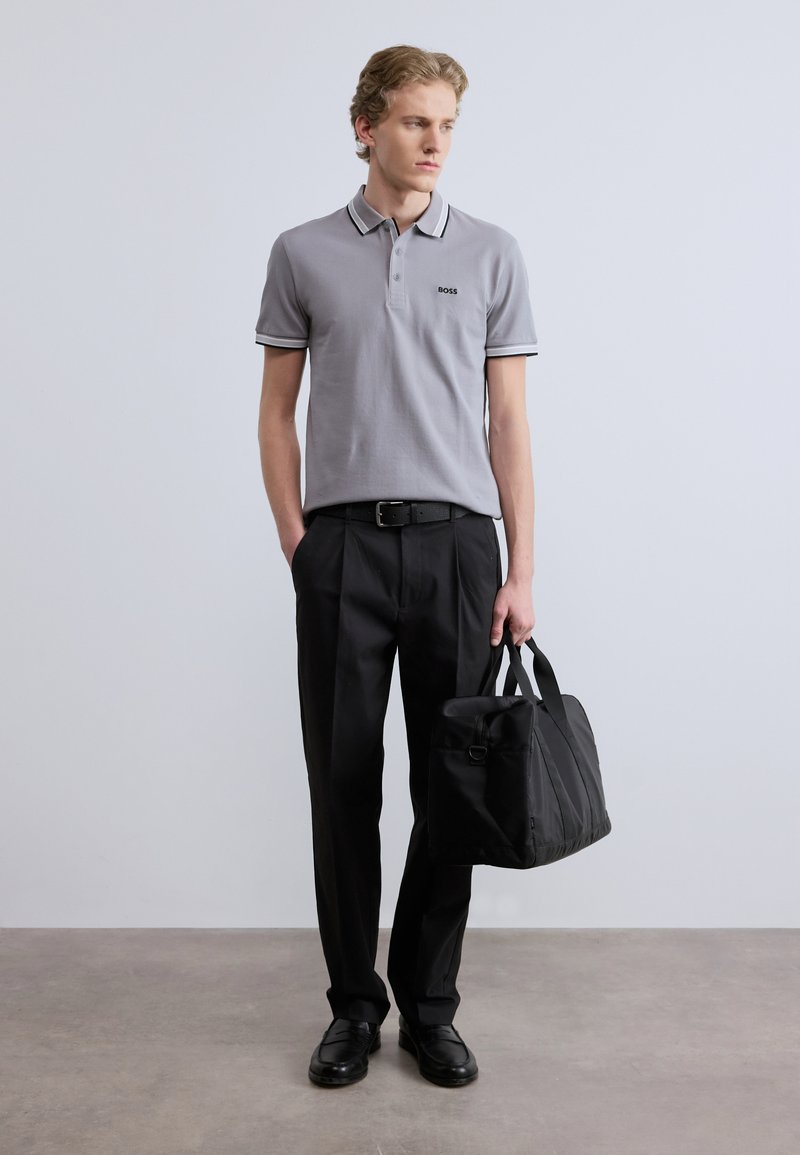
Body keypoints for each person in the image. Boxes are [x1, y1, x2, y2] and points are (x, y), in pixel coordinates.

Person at [255, 44, 538, 1088]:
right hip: (342, 550)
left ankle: (429, 1008)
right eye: (417, 121)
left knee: (449, 789)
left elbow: (507, 422)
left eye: (448, 124)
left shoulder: (493, 252)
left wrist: (520, 568)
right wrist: (300, 542)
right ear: (364, 126)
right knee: (341, 785)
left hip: (458, 549)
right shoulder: (302, 252)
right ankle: (350, 1008)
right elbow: (275, 413)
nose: (435, 143)